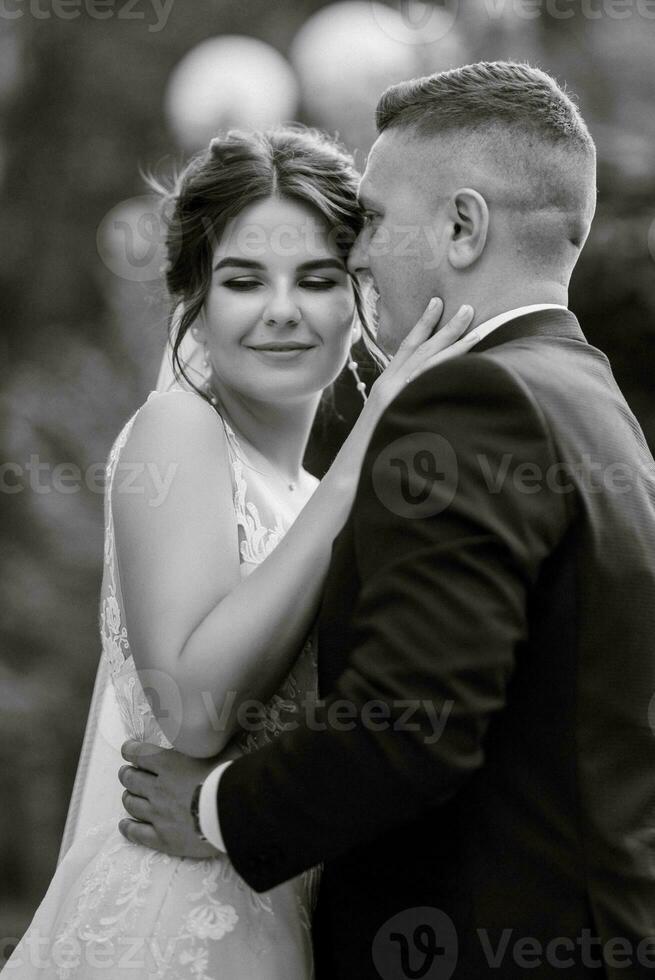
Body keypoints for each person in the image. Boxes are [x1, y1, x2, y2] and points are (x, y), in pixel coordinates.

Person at [118, 63, 655, 978]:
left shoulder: (472, 403)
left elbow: (412, 722)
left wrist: (215, 811)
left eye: (369, 221)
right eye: (244, 278)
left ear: (461, 225)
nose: (360, 256)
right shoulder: (589, 396)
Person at [4, 128, 477, 978]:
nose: (283, 309)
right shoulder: (178, 431)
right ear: (192, 296)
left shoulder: (304, 491)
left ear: (359, 295)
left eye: (319, 278)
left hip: (278, 910)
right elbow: (192, 711)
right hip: (171, 925)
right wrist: (372, 440)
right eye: (243, 280)